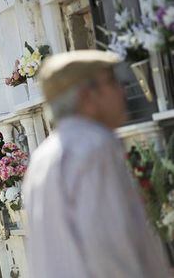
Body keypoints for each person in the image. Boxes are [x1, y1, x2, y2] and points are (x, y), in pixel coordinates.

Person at [23, 50, 170, 277]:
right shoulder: (94, 147)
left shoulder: (42, 157)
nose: (122, 91)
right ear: (86, 96)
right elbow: (109, 243)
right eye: (113, 82)